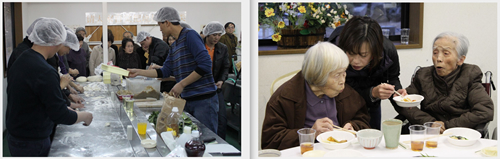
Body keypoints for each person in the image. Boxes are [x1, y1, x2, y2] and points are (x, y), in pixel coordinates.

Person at [6, 17, 93, 157]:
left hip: (17, 135)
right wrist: (85, 116)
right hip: (32, 141)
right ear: (56, 41)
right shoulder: (44, 70)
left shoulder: (23, 58)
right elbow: (59, 114)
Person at [261, 42, 370, 150]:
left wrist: (353, 126)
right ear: (319, 76)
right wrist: (310, 133)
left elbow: (363, 119)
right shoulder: (285, 97)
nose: (343, 81)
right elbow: (271, 141)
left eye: (344, 73)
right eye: (337, 75)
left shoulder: (345, 92)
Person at [128, 6, 219, 133]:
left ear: (167, 22)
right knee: (192, 138)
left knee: (207, 138)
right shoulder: (174, 46)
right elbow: (164, 71)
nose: (159, 28)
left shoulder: (190, 35)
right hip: (187, 100)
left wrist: (181, 84)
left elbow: (205, 64)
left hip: (203, 100)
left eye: (160, 24)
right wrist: (138, 72)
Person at [393, 32, 494, 134]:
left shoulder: (470, 74)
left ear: (460, 60)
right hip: (429, 134)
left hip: (459, 135)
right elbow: (403, 103)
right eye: (435, 52)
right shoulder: (423, 75)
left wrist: (448, 126)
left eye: (446, 53)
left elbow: (485, 111)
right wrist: (429, 122)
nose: (438, 59)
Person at [328, 16, 404, 130]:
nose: (355, 61)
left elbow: (393, 78)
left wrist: (399, 96)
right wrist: (372, 93)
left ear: (375, 51)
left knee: (372, 140)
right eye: (351, 53)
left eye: (363, 55)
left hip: (372, 104)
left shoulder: (387, 51)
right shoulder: (334, 51)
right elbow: (336, 92)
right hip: (341, 105)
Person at [203, 21, 230, 139]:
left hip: (216, 87)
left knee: (221, 118)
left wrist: (221, 80)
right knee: (204, 116)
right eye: (214, 35)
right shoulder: (200, 46)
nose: (217, 37)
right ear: (207, 34)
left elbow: (225, 67)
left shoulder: (222, 48)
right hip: (201, 87)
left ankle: (221, 143)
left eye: (219, 35)